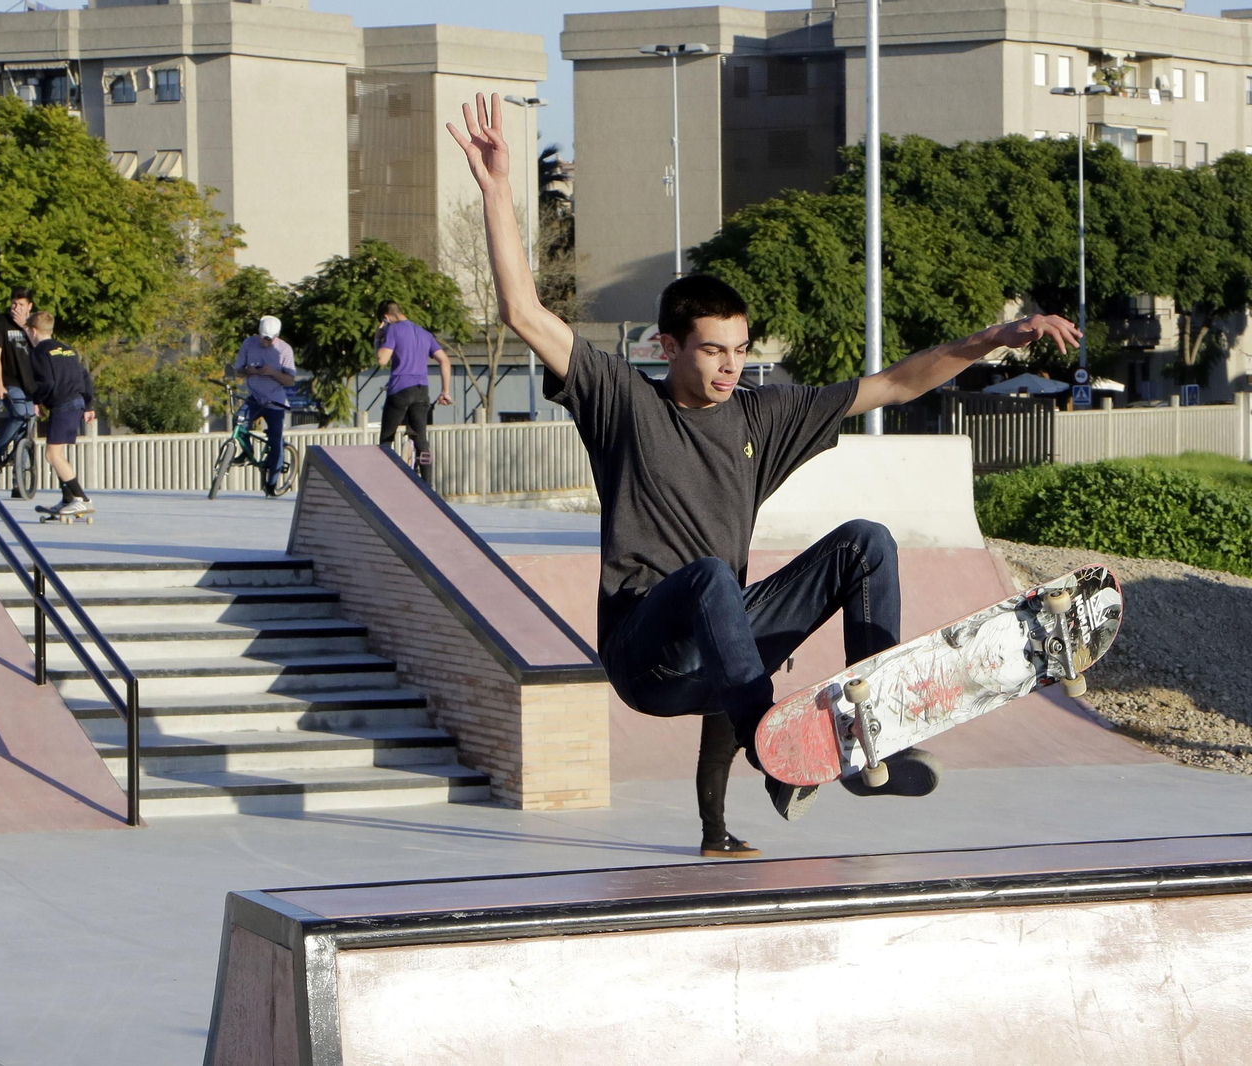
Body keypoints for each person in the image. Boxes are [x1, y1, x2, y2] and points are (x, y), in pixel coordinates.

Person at [447, 93, 1081, 858]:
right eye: (713, 350)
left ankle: (870, 720)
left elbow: (895, 383)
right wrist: (497, 191)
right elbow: (524, 311)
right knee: (714, 579)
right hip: (645, 655)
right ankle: (776, 756)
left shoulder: (760, 414)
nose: (730, 366)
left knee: (863, 542)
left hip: (721, 644)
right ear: (667, 344)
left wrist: (994, 338)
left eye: (741, 350)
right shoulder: (620, 401)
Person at [25, 311, 96, 517]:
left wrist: (38, 400)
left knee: (52, 454)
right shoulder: (68, 350)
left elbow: (46, 381)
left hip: (62, 404)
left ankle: (81, 498)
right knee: (58, 454)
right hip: (77, 402)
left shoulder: (39, 351)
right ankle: (67, 499)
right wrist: (89, 405)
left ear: (33, 330)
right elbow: (84, 376)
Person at [375, 301, 452, 481]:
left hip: (400, 390)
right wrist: (445, 391)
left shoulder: (393, 330)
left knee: (386, 438)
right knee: (421, 441)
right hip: (421, 391)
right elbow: (444, 360)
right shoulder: (424, 333)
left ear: (386, 318)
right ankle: (427, 486)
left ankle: (383, 481)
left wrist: (378, 338)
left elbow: (381, 360)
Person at [232, 315, 297, 497]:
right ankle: (247, 452)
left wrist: (274, 373)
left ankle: (272, 483)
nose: (266, 342)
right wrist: (248, 371)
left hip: (275, 400)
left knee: (275, 441)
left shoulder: (284, 350)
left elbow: (290, 380)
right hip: (255, 397)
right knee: (239, 420)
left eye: (270, 339)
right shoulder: (249, 344)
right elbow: (238, 370)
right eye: (263, 338)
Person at [0, 288, 38, 482]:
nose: (16, 308)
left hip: (31, 384)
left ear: (29, 306)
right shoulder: (0, 322)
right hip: (9, 381)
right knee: (19, 414)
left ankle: (19, 480)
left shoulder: (35, 325)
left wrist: (25, 327)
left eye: (21, 304)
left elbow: (42, 350)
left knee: (27, 428)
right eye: (14, 303)